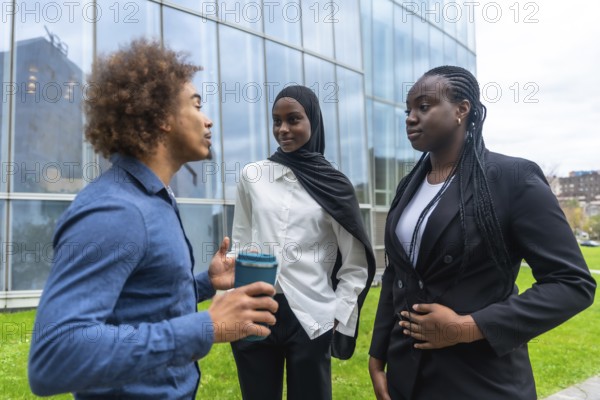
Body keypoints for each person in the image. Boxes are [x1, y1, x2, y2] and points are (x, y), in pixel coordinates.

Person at [28, 39, 278, 399]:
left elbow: (142, 307)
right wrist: (206, 327)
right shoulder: (116, 211)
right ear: (161, 119)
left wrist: (206, 283)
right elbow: (54, 356)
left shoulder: (155, 200)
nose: (208, 120)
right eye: (196, 105)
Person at [368, 66, 596, 400]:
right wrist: (378, 358)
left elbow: (572, 283)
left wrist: (468, 327)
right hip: (408, 377)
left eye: (424, 106)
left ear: (462, 109)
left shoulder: (512, 179)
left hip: (479, 380)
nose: (410, 118)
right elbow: (397, 274)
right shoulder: (409, 187)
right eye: (408, 109)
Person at [230, 85, 376, 400]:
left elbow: (355, 262)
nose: (283, 129)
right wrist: (232, 302)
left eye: (294, 119)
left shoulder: (334, 184)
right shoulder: (252, 176)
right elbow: (240, 244)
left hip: (312, 316)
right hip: (256, 310)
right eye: (276, 120)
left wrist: (340, 313)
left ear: (313, 121)